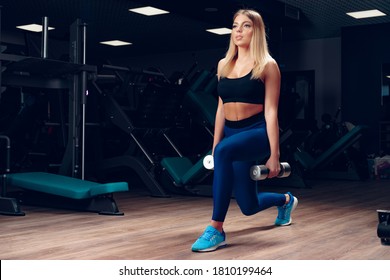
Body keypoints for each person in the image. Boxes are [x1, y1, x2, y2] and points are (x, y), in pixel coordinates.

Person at [191, 9, 298, 252]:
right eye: (235, 25)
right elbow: (221, 108)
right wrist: (215, 144)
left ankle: (216, 229)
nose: (238, 30)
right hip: (231, 134)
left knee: (226, 152)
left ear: (257, 31)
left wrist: (274, 155)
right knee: (248, 206)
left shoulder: (268, 66)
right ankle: (286, 201)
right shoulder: (224, 64)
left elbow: (271, 112)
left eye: (246, 25)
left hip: (257, 132)